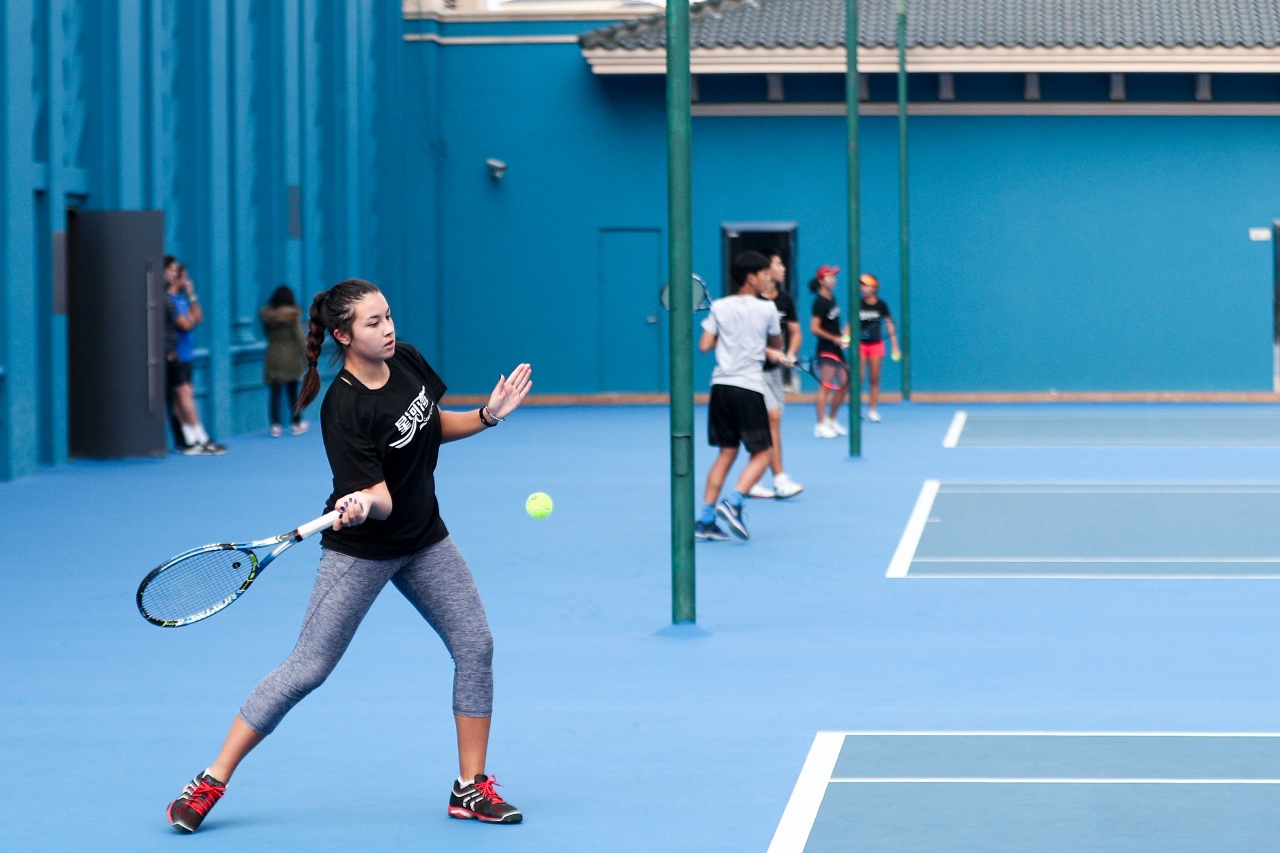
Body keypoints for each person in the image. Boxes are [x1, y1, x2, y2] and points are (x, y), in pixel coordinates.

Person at [165, 278, 533, 833]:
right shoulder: (342, 406)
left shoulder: (406, 360)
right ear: (343, 335)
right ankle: (211, 779)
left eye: (388, 317)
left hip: (425, 539)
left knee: (475, 645)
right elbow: (380, 498)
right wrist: (363, 501)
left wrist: (487, 414)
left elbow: (433, 429)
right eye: (372, 323)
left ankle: (470, 788)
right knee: (307, 669)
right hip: (361, 554)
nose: (387, 330)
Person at [695, 251, 784, 541]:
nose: (768, 280)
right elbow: (775, 343)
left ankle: (706, 520)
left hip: (720, 389)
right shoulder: (767, 309)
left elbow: (705, 345)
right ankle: (734, 502)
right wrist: (766, 349)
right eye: (765, 275)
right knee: (763, 452)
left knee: (726, 453)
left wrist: (729, 333)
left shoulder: (719, 307)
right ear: (751, 278)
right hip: (748, 388)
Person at [746, 248, 803, 499]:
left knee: (768, 423)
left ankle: (751, 480)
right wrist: (769, 351)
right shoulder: (752, 301)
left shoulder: (785, 300)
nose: (784, 269)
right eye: (779, 264)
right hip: (752, 370)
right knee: (773, 420)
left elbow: (796, 332)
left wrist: (789, 354)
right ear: (767, 270)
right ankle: (779, 478)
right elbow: (745, 339)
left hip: (774, 372)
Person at [163, 256, 226, 455]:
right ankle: (196, 438)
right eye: (183, 276)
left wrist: (191, 296)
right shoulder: (168, 301)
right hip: (176, 355)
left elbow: (198, 317)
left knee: (182, 397)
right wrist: (190, 319)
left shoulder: (181, 300)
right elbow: (186, 324)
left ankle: (192, 439)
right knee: (183, 396)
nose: (187, 281)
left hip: (187, 355)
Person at [260, 285, 309, 437]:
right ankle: (296, 423)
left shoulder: (267, 317)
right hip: (290, 357)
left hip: (273, 356)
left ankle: (275, 425)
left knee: (274, 393)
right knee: (292, 392)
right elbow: (300, 339)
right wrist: (307, 361)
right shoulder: (293, 317)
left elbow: (266, 334)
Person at [809, 265, 850, 439]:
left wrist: (843, 335)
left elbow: (833, 325)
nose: (833, 279)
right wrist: (834, 339)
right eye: (829, 276)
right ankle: (819, 425)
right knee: (825, 386)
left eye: (834, 276)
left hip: (837, 347)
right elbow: (814, 328)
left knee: (845, 383)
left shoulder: (832, 298)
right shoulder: (819, 302)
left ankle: (831, 419)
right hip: (826, 349)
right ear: (820, 281)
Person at [857, 273, 901, 422]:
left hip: (876, 345)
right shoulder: (858, 303)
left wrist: (895, 346)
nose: (864, 288)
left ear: (874, 288)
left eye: (867, 285)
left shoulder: (881, 305)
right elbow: (851, 324)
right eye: (862, 285)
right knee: (859, 378)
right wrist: (845, 337)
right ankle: (857, 409)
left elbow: (889, 324)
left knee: (874, 378)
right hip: (860, 344)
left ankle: (873, 409)